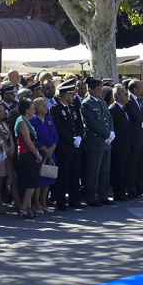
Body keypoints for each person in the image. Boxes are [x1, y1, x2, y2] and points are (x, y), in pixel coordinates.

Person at [80, 78, 113, 207]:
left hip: (105, 142)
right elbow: (92, 123)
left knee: (105, 170)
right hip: (94, 141)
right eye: (98, 89)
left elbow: (109, 119)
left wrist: (111, 133)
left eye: (101, 89)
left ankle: (103, 195)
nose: (100, 92)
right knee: (93, 171)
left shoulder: (102, 103)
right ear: (91, 90)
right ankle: (91, 196)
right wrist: (107, 133)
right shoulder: (86, 104)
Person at [50, 80, 84, 210]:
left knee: (75, 173)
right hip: (64, 147)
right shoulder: (55, 109)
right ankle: (61, 200)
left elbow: (79, 124)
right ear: (66, 95)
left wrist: (79, 136)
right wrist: (71, 139)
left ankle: (74, 199)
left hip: (75, 146)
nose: (74, 97)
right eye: (72, 94)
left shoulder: (73, 108)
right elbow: (59, 128)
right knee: (64, 174)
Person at [12, 98, 40, 218]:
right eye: (32, 108)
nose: (34, 110)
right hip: (26, 154)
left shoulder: (27, 121)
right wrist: (37, 155)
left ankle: (28, 207)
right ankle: (23, 207)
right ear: (27, 110)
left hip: (29, 153)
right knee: (31, 182)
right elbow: (28, 142)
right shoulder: (21, 122)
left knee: (30, 181)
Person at [30, 98, 58, 212]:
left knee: (48, 178)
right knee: (39, 179)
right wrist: (43, 148)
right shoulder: (33, 120)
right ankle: (36, 204)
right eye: (43, 106)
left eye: (46, 106)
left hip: (50, 153)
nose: (46, 108)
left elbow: (55, 135)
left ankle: (43, 203)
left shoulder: (49, 119)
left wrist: (52, 148)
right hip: (40, 153)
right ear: (37, 107)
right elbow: (33, 138)